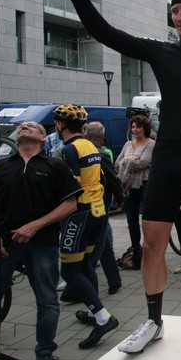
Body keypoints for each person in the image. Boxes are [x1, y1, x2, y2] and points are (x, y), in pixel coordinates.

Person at [58, 0, 181, 354]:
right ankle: (153, 321)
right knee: (152, 242)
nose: (179, 17)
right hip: (168, 157)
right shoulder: (161, 52)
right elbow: (103, 31)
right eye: (174, 12)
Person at [0, 121, 82, 360]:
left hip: (42, 245)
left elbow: (70, 204)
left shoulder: (54, 166)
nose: (24, 126)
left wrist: (35, 225)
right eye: (21, 126)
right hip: (2, 244)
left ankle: (45, 353)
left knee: (47, 301)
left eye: (31, 126)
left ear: (43, 138)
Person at [53, 105, 120, 349]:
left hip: (79, 213)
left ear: (60, 125)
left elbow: (71, 186)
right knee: (85, 264)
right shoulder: (90, 146)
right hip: (98, 210)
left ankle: (102, 317)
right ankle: (93, 312)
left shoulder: (69, 150)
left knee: (70, 271)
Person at [66, 121, 122, 308]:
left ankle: (79, 290)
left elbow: (111, 178)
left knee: (94, 249)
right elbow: (112, 178)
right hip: (97, 204)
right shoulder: (94, 151)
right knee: (102, 242)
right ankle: (112, 281)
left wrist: (119, 198)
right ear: (101, 136)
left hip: (94, 205)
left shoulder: (92, 152)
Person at [115, 114, 155, 271]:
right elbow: (117, 163)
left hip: (144, 185)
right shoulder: (127, 144)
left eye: (138, 127)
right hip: (129, 187)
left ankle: (150, 252)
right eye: (133, 127)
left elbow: (143, 163)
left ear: (145, 128)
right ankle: (136, 254)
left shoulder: (150, 144)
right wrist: (131, 162)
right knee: (131, 222)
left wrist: (128, 162)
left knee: (148, 221)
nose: (135, 129)